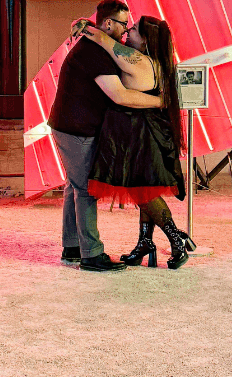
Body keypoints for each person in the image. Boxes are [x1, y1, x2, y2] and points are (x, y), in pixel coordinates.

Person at [48, 0, 164, 272]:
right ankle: (91, 255)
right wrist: (160, 102)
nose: (126, 31)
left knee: (74, 187)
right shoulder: (95, 54)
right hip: (76, 130)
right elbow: (120, 95)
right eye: (124, 24)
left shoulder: (96, 45)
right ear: (109, 23)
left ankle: (73, 247)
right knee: (86, 189)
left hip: (68, 126)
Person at [78, 15, 196, 269]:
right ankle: (145, 243)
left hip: (138, 132)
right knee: (144, 188)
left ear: (144, 40)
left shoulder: (138, 60)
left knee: (142, 191)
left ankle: (176, 240)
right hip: (146, 130)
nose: (127, 32)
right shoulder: (157, 63)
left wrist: (84, 25)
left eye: (133, 30)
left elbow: (102, 39)